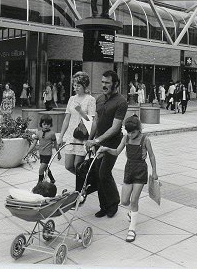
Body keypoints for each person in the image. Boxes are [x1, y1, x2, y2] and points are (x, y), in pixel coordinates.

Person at [97, 115, 157, 243]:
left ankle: (132, 229)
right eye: (128, 132)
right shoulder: (126, 138)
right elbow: (117, 152)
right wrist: (107, 149)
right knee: (124, 201)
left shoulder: (145, 140)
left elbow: (151, 156)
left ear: (139, 129)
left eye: (133, 132)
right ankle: (132, 212)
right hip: (129, 169)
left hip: (140, 170)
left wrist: (155, 172)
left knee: (134, 200)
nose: (130, 134)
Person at [85, 70, 128, 218]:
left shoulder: (121, 101)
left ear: (115, 84)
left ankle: (114, 203)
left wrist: (96, 140)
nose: (104, 85)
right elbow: (95, 121)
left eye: (107, 83)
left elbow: (115, 127)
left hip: (112, 143)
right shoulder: (99, 99)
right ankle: (103, 206)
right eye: (102, 82)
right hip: (98, 141)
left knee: (104, 173)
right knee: (98, 174)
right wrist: (90, 139)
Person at [58, 72, 96, 175]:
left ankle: (81, 186)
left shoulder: (90, 100)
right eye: (74, 85)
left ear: (84, 86)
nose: (75, 88)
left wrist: (80, 110)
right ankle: (85, 180)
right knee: (68, 165)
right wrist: (61, 136)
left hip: (81, 136)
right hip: (71, 135)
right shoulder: (72, 99)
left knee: (78, 166)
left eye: (78, 85)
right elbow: (66, 118)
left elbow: (91, 120)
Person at [27, 114, 61, 185]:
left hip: (48, 154)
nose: (46, 126)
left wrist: (59, 154)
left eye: (48, 124)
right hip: (41, 154)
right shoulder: (39, 133)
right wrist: (28, 151)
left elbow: (55, 144)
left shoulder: (52, 134)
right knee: (45, 168)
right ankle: (52, 179)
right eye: (44, 124)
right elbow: (34, 144)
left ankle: (39, 183)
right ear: (41, 124)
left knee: (41, 169)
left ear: (50, 125)